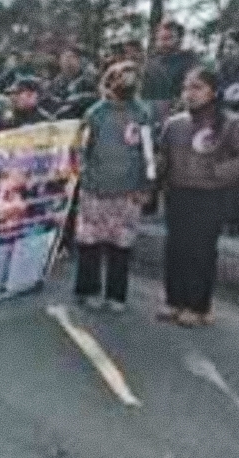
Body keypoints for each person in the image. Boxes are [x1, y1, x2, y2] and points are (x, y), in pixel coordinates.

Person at [158, 68, 239, 327]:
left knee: (201, 251)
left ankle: (198, 306)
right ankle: (174, 301)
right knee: (175, 248)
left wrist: (218, 172)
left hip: (211, 196)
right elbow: (163, 157)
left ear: (213, 92)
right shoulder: (174, 124)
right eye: (186, 87)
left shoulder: (231, 123)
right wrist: (155, 175)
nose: (189, 93)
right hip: (178, 192)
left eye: (197, 87)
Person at [74, 61, 154, 313]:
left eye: (132, 77)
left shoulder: (143, 114)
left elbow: (149, 153)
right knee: (90, 243)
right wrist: (85, 179)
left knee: (121, 245)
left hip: (129, 193)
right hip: (95, 192)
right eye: (122, 77)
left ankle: (116, 295)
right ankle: (87, 291)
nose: (127, 82)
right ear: (109, 81)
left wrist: (147, 186)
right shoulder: (94, 114)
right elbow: (81, 152)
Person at [142, 20, 199, 120]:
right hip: (153, 114)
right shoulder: (150, 63)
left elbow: (193, 89)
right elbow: (144, 92)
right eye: (160, 38)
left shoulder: (189, 61)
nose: (163, 42)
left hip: (180, 114)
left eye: (168, 38)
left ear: (178, 39)